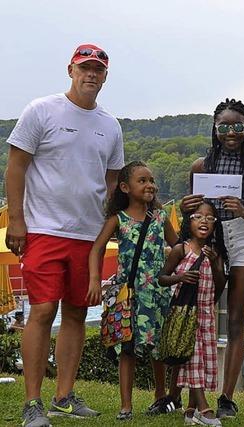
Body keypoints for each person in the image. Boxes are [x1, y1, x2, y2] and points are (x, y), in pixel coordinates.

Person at [5, 43, 124, 427]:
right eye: (84, 68)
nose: (91, 74)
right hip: (43, 228)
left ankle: (63, 396)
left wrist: (106, 228)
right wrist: (18, 221)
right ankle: (32, 403)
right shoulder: (41, 110)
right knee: (41, 311)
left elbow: (111, 182)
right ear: (70, 70)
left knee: (76, 312)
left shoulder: (111, 125)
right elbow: (16, 167)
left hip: (88, 236)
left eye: (98, 70)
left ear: (106, 77)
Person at [179, 98, 244, 419]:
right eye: (224, 126)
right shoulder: (201, 166)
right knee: (198, 318)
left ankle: (226, 396)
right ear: (214, 128)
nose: (231, 132)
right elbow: (191, 219)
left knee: (237, 318)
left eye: (238, 126)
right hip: (208, 236)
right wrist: (186, 208)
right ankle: (191, 396)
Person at [87, 161, 179, 421]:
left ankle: (160, 397)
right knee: (127, 349)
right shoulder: (118, 219)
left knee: (158, 346)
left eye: (151, 180)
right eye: (143, 180)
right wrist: (95, 280)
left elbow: (179, 247)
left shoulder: (160, 217)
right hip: (130, 295)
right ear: (125, 187)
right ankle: (126, 405)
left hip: (158, 293)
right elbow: (97, 249)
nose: (149, 184)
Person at [159, 201, 226, 426]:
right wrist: (180, 277)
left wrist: (216, 262)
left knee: (203, 360)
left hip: (206, 315)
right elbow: (162, 278)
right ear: (189, 221)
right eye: (198, 216)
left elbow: (219, 286)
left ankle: (190, 409)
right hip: (186, 315)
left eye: (210, 217)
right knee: (193, 359)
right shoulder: (181, 249)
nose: (204, 220)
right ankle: (205, 408)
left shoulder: (214, 253)